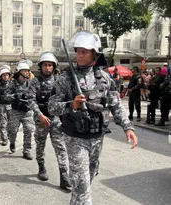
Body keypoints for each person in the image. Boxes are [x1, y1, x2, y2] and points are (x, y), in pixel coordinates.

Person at [48, 30, 138, 205]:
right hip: (75, 138)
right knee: (81, 185)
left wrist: (128, 127)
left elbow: (115, 104)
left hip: (97, 138)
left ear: (94, 54)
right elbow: (51, 107)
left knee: (86, 180)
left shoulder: (104, 78)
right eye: (78, 51)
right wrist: (70, 105)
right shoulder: (65, 78)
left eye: (85, 52)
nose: (80, 55)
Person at [27, 51, 70, 190]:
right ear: (41, 66)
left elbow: (65, 98)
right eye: (45, 65)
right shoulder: (34, 82)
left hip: (55, 119)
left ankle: (64, 175)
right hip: (41, 119)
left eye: (50, 65)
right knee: (40, 145)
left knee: (60, 147)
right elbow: (31, 101)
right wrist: (39, 115)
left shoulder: (59, 81)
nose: (48, 68)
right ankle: (41, 167)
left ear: (54, 66)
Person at [3, 62, 35, 160]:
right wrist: (14, 97)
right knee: (12, 130)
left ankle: (27, 150)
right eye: (24, 71)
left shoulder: (30, 83)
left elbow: (35, 95)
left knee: (29, 130)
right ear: (20, 72)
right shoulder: (12, 84)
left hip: (27, 112)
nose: (26, 73)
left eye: (27, 71)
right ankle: (12, 142)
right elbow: (6, 96)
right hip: (15, 111)